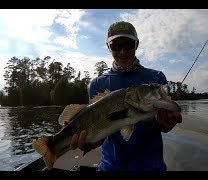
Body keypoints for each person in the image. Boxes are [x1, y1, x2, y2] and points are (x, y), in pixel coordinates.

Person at [69, 21, 182, 171]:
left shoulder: (156, 78)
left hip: (150, 166)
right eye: (116, 46)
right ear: (108, 47)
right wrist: (91, 142)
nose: (123, 51)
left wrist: (167, 123)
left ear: (137, 44)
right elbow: (98, 130)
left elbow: (163, 126)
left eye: (128, 44)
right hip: (111, 166)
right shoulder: (97, 84)